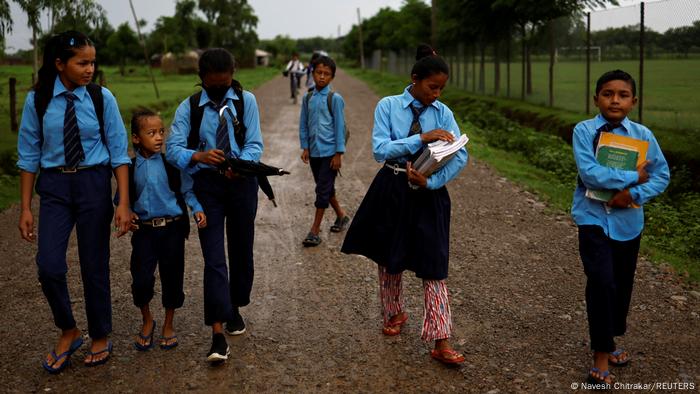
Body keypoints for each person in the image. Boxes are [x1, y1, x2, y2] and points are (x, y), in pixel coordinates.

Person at [341, 44, 468, 365]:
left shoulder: (444, 113)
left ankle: (441, 341)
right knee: (389, 256)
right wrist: (420, 139)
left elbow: (460, 154)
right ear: (415, 79)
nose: (437, 94)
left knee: (435, 266)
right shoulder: (388, 106)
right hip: (393, 188)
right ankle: (394, 313)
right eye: (432, 87)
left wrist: (432, 181)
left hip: (430, 193)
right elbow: (380, 150)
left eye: (441, 88)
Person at [16, 30, 131, 373]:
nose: (89, 69)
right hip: (54, 188)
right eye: (82, 62)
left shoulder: (100, 98)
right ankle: (69, 329)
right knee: (49, 265)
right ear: (59, 64)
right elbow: (28, 154)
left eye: (92, 62)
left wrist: (123, 202)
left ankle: (100, 333)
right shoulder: (37, 100)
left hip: (93, 183)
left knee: (94, 264)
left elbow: (119, 153)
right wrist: (24, 208)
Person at [166, 48, 263, 364]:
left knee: (241, 250)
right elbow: (173, 149)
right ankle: (217, 332)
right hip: (206, 186)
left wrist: (240, 164)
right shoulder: (189, 108)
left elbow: (255, 144)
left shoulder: (246, 101)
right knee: (213, 258)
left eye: (226, 83)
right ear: (202, 78)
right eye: (214, 84)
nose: (221, 89)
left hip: (242, 184)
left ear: (233, 75)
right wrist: (198, 156)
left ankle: (234, 305)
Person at [572, 69, 669, 385]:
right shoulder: (584, 131)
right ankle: (601, 354)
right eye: (608, 93)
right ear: (596, 98)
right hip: (592, 218)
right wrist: (632, 177)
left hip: (629, 223)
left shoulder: (643, 136)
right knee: (600, 281)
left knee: (622, 283)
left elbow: (662, 176)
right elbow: (590, 174)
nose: (615, 100)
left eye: (623, 95)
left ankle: (611, 339)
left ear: (634, 101)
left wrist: (633, 195)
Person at [127, 109, 207, 352]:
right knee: (141, 279)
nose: (159, 137)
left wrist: (197, 208)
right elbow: (122, 198)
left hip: (172, 229)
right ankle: (147, 319)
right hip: (144, 231)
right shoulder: (129, 168)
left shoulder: (171, 165)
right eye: (151, 133)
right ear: (136, 138)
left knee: (172, 277)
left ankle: (169, 324)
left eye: (162, 132)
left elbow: (187, 190)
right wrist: (128, 212)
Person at [299, 56, 350, 247]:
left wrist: (339, 153)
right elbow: (303, 124)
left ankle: (314, 231)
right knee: (325, 187)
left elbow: (339, 127)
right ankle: (342, 216)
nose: (322, 77)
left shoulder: (334, 99)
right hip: (314, 153)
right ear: (312, 73)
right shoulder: (308, 98)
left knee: (322, 190)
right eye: (318, 73)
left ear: (332, 77)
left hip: (330, 153)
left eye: (326, 74)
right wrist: (305, 147)